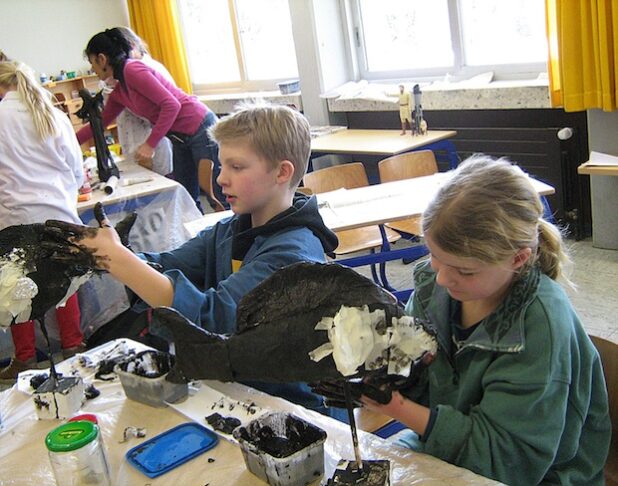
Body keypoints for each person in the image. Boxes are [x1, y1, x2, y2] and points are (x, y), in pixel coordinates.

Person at [48, 102, 341, 416]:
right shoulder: (230, 230)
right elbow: (166, 264)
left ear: (283, 172)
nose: (220, 179)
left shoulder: (292, 255)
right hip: (236, 387)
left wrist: (118, 260)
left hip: (288, 406)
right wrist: (106, 258)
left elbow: (211, 318)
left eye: (236, 167)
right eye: (221, 165)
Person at [359, 155, 611, 484]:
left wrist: (397, 407)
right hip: (449, 443)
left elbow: (507, 463)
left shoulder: (539, 326)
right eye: (434, 255)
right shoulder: (434, 286)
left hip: (538, 474)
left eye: (465, 270)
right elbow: (416, 374)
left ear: (518, 259)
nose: (442, 280)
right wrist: (380, 369)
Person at [0, 61, 85, 382]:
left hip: (15, 217)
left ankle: (24, 358)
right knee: (65, 283)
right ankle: (74, 346)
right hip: (59, 213)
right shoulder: (55, 115)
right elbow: (76, 170)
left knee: (15, 288)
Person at [77, 27, 221, 212]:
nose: (92, 69)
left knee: (215, 195)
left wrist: (150, 144)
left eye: (92, 62)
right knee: (187, 199)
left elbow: (172, 105)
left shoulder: (132, 69)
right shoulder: (120, 90)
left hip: (200, 127)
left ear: (102, 59)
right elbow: (98, 125)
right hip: (180, 138)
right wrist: (65, 141)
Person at [104, 27, 174, 177]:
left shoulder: (142, 69)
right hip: (135, 142)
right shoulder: (120, 77)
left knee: (163, 187)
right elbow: (108, 114)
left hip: (153, 143)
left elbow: (169, 106)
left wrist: (150, 144)